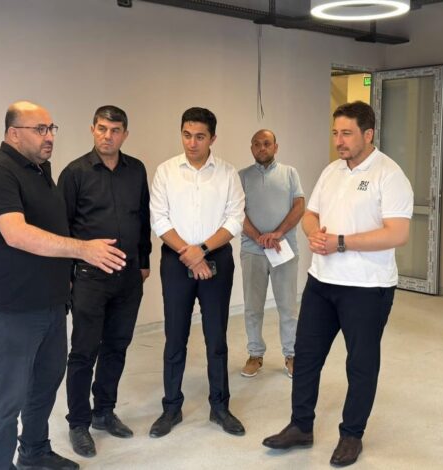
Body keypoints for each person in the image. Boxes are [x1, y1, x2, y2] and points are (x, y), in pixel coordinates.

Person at [0, 100, 127, 470]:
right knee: (9, 396)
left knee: (44, 384)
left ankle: (34, 451)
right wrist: (83, 249)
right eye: (39, 129)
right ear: (14, 133)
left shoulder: (40, 170)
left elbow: (52, 227)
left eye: (51, 128)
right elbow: (17, 234)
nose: (49, 137)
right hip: (14, 308)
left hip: (52, 304)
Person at [262, 101, 413, 467]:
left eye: (346, 133)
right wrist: (314, 234)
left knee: (360, 364)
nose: (339, 140)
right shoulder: (331, 171)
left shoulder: (389, 174)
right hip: (321, 281)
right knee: (306, 355)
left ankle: (351, 435)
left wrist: (340, 242)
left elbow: (397, 233)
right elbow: (310, 214)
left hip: (367, 288)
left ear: (368, 134)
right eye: (335, 133)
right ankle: (300, 426)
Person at [58, 105, 152, 458]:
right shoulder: (75, 173)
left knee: (117, 346)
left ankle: (104, 411)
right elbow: (62, 228)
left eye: (115, 130)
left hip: (129, 277)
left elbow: (143, 217)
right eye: (102, 128)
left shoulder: (136, 169)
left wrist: (144, 261)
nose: (107, 136)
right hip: (90, 278)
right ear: (92, 129)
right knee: (84, 351)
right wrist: (67, 277)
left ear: (125, 134)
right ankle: (78, 423)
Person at [148, 107, 246, 438]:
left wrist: (201, 250)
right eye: (187, 135)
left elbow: (235, 219)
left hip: (216, 259)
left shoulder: (228, 174)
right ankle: (171, 408)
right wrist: (189, 254)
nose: (192, 143)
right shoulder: (166, 171)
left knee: (216, 337)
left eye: (200, 137)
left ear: (212, 138)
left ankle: (220, 407)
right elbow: (159, 219)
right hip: (176, 260)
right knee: (175, 336)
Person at [238, 129, 304, 378]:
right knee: (252, 307)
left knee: (288, 307)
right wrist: (259, 237)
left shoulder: (290, 173)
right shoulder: (242, 177)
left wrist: (277, 233)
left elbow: (299, 206)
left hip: (283, 250)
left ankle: (292, 355)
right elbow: (237, 212)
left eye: (267, 143)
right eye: (256, 144)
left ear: (276, 147)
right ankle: (255, 354)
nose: (262, 148)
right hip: (252, 251)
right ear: (251, 148)